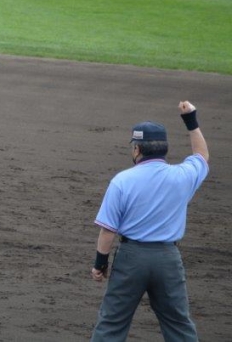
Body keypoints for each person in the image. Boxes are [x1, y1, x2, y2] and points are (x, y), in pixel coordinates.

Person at [90, 101, 210, 341]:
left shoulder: (122, 181)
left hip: (131, 259)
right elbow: (202, 156)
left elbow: (107, 232)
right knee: (179, 325)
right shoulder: (182, 176)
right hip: (168, 260)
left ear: (137, 149)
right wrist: (191, 121)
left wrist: (100, 264)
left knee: (112, 324)